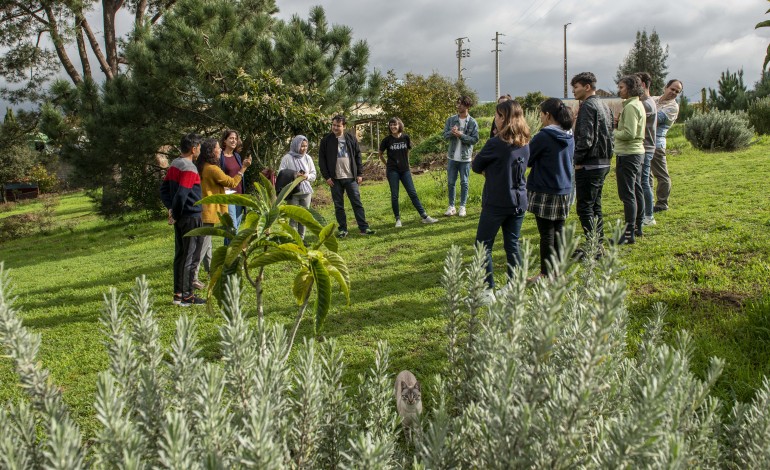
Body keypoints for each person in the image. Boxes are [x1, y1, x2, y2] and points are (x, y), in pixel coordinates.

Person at [471, 99, 530, 289]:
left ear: (503, 118)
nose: (494, 119)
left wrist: (489, 170)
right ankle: (515, 284)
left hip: (497, 201)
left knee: (483, 246)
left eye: (497, 115)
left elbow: (476, 165)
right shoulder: (525, 141)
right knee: (512, 244)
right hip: (519, 200)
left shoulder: (496, 143)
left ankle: (487, 290)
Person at [526, 98, 574, 278]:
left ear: (547, 115)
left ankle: (545, 273)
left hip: (545, 189)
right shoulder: (568, 135)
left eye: (540, 113)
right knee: (559, 231)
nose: (539, 117)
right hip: (564, 188)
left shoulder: (544, 136)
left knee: (546, 234)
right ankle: (558, 271)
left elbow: (528, 159)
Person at [160, 133, 206, 306]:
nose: (200, 151)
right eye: (199, 148)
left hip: (181, 217)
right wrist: (176, 213)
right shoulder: (189, 168)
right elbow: (181, 194)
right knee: (191, 256)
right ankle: (188, 296)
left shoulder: (175, 164)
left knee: (180, 255)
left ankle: (178, 294)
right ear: (193, 149)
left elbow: (163, 189)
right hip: (190, 217)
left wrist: (171, 209)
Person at [570, 72, 614, 255]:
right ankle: (598, 243)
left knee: (585, 207)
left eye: (576, 87)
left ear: (587, 87)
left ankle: (594, 247)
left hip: (590, 163)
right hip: (604, 161)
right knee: (595, 205)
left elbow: (586, 139)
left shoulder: (588, 106)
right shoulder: (604, 104)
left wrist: (575, 160)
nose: (573, 91)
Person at [196, 138, 251, 282]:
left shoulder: (203, 166)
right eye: (217, 148)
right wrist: (243, 168)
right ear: (211, 151)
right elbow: (232, 182)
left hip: (203, 210)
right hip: (209, 211)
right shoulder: (213, 169)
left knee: (206, 246)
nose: (219, 150)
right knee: (203, 247)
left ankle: (210, 271)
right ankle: (192, 278)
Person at [318, 115, 375, 237]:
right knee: (339, 206)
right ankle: (343, 229)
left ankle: (364, 228)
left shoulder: (350, 138)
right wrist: (327, 177)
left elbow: (358, 156)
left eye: (338, 126)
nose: (335, 128)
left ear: (344, 126)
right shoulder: (326, 140)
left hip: (351, 178)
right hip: (335, 179)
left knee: (357, 203)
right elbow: (321, 160)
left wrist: (359, 173)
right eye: (333, 125)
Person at [378, 117, 438, 227]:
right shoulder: (387, 140)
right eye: (391, 125)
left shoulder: (405, 137)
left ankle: (425, 216)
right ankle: (398, 220)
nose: (392, 127)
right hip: (392, 171)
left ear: (399, 125)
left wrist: (407, 163)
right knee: (395, 195)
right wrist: (387, 165)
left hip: (405, 170)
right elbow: (380, 154)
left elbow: (407, 152)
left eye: (394, 124)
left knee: (412, 193)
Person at [614, 74, 646, 245]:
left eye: (621, 87)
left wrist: (614, 131)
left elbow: (629, 133)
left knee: (628, 194)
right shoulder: (637, 104)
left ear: (631, 88)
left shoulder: (631, 107)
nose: (619, 90)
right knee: (636, 189)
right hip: (636, 153)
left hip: (628, 154)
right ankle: (637, 227)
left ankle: (628, 233)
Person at [443, 95, 479, 217]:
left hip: (465, 158)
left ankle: (462, 207)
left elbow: (475, 139)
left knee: (464, 182)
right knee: (451, 182)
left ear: (467, 106)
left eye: (461, 104)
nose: (458, 106)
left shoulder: (473, 122)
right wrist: (452, 133)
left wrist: (461, 135)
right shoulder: (451, 120)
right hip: (452, 157)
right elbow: (445, 136)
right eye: (457, 103)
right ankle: (451, 206)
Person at [652, 79, 683, 213]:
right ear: (666, 87)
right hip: (644, 142)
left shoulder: (672, 107)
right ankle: (647, 201)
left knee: (662, 175)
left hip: (657, 145)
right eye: (672, 89)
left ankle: (662, 203)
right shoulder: (654, 99)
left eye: (677, 91)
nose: (674, 93)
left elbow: (654, 120)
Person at [279, 135, 317, 239]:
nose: (304, 148)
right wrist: (294, 175)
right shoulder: (287, 158)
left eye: (306, 146)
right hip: (293, 192)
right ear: (296, 145)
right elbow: (281, 173)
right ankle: (293, 239)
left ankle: (302, 238)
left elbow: (314, 174)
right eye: (302, 146)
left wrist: (306, 176)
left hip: (306, 193)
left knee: (304, 217)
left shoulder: (308, 158)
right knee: (293, 217)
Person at [635, 72, 658, 227]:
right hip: (646, 146)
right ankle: (644, 214)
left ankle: (648, 216)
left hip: (646, 147)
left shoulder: (646, 104)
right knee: (645, 180)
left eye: (635, 83)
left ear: (643, 85)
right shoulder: (645, 101)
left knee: (643, 181)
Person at [219, 129, 246, 245]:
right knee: (232, 228)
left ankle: (227, 253)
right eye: (231, 138)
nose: (234, 141)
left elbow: (240, 174)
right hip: (228, 196)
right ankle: (233, 257)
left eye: (235, 138)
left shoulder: (237, 156)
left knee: (234, 228)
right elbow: (217, 175)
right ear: (225, 141)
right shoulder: (220, 157)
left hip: (239, 195)